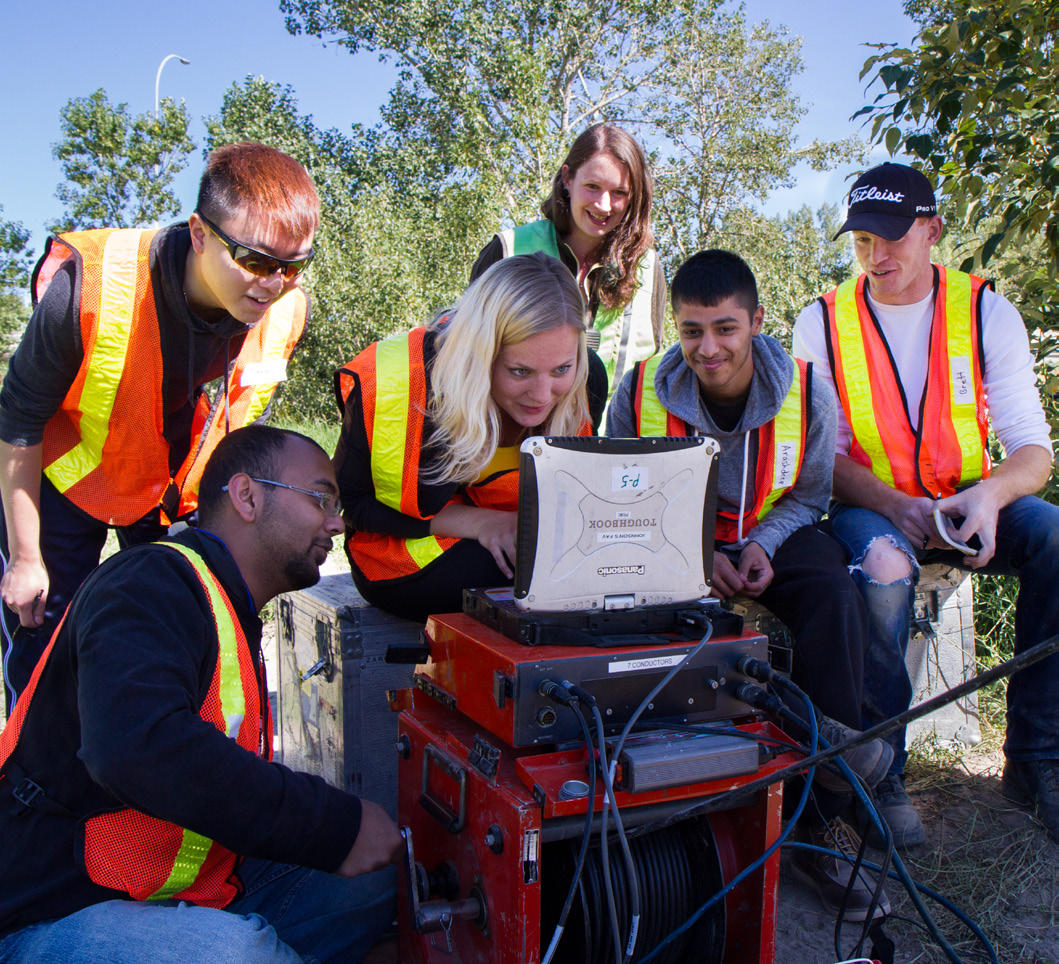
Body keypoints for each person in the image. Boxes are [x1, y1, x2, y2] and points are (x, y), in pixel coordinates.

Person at [0, 425, 400, 963]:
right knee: (239, 954)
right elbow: (136, 747)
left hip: (183, 889)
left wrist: (340, 830)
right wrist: (330, 824)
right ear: (247, 496)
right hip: (53, 908)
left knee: (370, 880)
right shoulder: (150, 580)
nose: (337, 521)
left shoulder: (224, 603)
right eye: (320, 498)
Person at [607, 248, 892, 919]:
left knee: (832, 596)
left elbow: (811, 496)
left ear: (756, 321)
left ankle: (824, 813)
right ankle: (658, 800)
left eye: (725, 329)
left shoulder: (805, 388)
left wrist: (761, 544)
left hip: (775, 533)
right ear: (673, 328)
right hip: (668, 541)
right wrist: (698, 552)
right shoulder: (638, 388)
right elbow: (617, 495)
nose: (708, 349)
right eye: (691, 331)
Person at [793, 162, 1059, 846]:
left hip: (969, 501)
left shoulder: (985, 310)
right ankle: (882, 774)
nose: (875, 256)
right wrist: (899, 507)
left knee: (1055, 539)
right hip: (869, 506)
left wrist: (990, 496)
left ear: (931, 230)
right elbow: (821, 460)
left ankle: (1034, 757)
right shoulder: (821, 321)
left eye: (890, 238)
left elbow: (1033, 450)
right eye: (861, 241)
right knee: (883, 570)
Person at [0, 141, 318, 712]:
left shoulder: (287, 309)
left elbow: (240, 433)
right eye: (254, 260)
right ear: (200, 233)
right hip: (66, 481)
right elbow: (17, 422)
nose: (274, 283)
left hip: (172, 494)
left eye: (294, 266)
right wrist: (26, 557)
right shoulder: (88, 289)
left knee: (189, 634)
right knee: (43, 662)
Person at [334, 251, 597, 622]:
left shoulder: (588, 382)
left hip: (522, 539)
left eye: (561, 369)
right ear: (479, 355)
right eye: (519, 371)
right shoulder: (401, 383)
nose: (542, 394)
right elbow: (355, 505)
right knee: (519, 573)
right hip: (405, 551)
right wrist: (480, 523)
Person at [470, 122, 666, 395]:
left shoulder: (649, 267)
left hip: (616, 436)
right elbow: (467, 358)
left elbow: (654, 373)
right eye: (593, 186)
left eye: (619, 192)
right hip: (521, 436)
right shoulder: (507, 250)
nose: (604, 205)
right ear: (567, 179)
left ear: (634, 197)